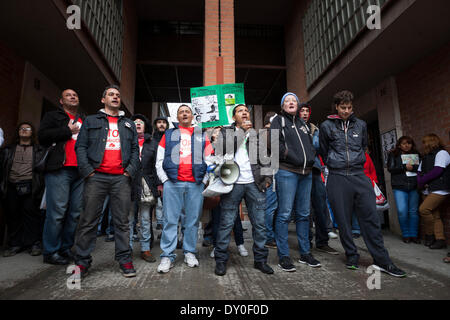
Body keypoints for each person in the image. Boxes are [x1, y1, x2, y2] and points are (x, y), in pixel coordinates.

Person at [319, 90, 406, 277]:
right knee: (343, 221)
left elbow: (363, 146)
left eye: (349, 107)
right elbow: (324, 151)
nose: (346, 111)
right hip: (337, 176)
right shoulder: (326, 126)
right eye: (343, 107)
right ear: (336, 106)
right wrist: (335, 164)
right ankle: (351, 255)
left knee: (370, 219)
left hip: (359, 175)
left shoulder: (361, 125)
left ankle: (383, 261)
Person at [73, 85, 140, 279]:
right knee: (88, 221)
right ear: (103, 100)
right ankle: (82, 263)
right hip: (97, 177)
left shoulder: (128, 124)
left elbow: (136, 150)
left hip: (121, 178)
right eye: (111, 94)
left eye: (118, 95)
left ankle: (124, 259)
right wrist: (88, 172)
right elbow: (81, 146)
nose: (115, 97)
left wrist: (129, 171)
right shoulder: (91, 120)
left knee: (122, 222)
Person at [213, 104, 274, 276]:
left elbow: (265, 158)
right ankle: (221, 260)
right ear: (234, 118)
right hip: (233, 184)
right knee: (226, 223)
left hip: (255, 184)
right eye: (240, 111)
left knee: (260, 224)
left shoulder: (256, 135)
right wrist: (242, 133)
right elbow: (221, 150)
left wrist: (268, 178)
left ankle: (260, 260)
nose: (245, 113)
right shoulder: (226, 132)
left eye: (246, 111)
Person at [156, 104, 213, 273]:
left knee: (192, 221)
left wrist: (204, 180)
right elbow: (159, 161)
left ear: (192, 116)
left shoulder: (201, 135)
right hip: (173, 183)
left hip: (195, 184)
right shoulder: (168, 134)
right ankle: (167, 255)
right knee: (170, 221)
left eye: (187, 111)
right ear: (178, 117)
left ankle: (189, 252)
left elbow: (209, 160)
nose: (184, 114)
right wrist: (165, 180)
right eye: (181, 112)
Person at [270, 93, 320, 272]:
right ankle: (284, 255)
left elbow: (310, 146)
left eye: (294, 101)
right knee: (284, 214)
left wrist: (311, 158)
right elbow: (274, 143)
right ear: (282, 105)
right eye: (287, 101)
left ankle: (305, 253)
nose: (291, 102)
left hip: (306, 173)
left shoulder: (303, 124)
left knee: (304, 214)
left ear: (297, 105)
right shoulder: (278, 121)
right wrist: (289, 155)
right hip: (287, 172)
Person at [38, 89, 85, 265]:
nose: (73, 96)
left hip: (80, 172)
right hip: (59, 169)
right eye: (68, 95)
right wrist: (66, 130)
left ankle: (65, 248)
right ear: (61, 101)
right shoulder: (53, 116)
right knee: (57, 213)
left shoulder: (84, 120)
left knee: (74, 213)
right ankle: (50, 251)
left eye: (75, 95)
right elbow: (42, 137)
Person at [298, 103, 338, 255]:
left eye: (308, 110)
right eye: (302, 110)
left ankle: (322, 242)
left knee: (321, 208)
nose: (305, 113)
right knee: (304, 210)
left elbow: (319, 147)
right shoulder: (293, 128)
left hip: (314, 171)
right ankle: (306, 242)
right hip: (300, 172)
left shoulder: (315, 129)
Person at [1, 122, 45, 257]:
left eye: (28, 128)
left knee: (31, 217)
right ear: (18, 132)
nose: (24, 130)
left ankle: (33, 244)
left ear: (32, 133)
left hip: (31, 186)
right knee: (13, 216)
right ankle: (15, 244)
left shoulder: (39, 150)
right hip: (12, 186)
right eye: (21, 128)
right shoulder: (8, 149)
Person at [207, 126, 249, 259]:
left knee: (235, 217)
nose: (219, 133)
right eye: (216, 132)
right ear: (213, 136)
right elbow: (207, 163)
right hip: (216, 187)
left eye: (221, 131)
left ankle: (240, 243)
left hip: (231, 184)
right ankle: (216, 246)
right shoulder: (209, 147)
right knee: (217, 218)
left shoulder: (230, 145)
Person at [130, 113, 157, 262]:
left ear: (145, 126)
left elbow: (155, 166)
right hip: (128, 182)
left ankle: (145, 249)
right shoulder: (125, 140)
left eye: (141, 122)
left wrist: (158, 185)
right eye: (135, 122)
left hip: (147, 183)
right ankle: (126, 249)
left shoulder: (152, 143)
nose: (138, 123)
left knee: (145, 218)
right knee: (128, 219)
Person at [417, 133, 449, 250]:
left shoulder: (442, 153)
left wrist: (423, 180)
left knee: (423, 210)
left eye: (425, 142)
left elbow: (438, 170)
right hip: (427, 189)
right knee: (435, 215)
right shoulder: (425, 156)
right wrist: (420, 182)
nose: (424, 145)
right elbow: (419, 172)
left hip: (439, 189)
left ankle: (429, 235)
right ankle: (440, 240)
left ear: (432, 142)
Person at [387, 136, 420, 243]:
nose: (407, 145)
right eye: (404, 143)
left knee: (413, 212)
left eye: (409, 143)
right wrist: (404, 167)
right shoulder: (394, 154)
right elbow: (390, 168)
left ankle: (413, 235)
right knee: (402, 211)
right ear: (399, 145)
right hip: (399, 186)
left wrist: (413, 168)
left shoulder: (417, 154)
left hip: (414, 186)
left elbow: (421, 169)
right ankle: (406, 234)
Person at [351, 151, 379, 238]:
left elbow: (372, 170)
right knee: (354, 207)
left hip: (367, 183)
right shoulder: (348, 156)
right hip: (353, 183)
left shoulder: (366, 156)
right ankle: (356, 229)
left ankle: (368, 229)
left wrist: (374, 182)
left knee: (367, 208)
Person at [149, 116, 169, 234]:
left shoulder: (170, 139)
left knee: (166, 207)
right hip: (152, 176)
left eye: (164, 122)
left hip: (166, 177)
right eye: (159, 122)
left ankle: (164, 232)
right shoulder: (151, 140)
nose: (161, 124)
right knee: (152, 205)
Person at [262, 112, 278, 249]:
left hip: (273, 175)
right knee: (270, 207)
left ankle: (271, 235)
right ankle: (269, 236)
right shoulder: (266, 133)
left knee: (273, 207)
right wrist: (267, 178)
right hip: (271, 175)